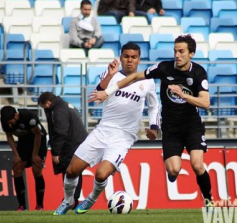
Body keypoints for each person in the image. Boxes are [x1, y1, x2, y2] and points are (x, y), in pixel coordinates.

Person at [89, 34, 214, 210]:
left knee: (197, 164)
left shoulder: (199, 72)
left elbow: (205, 102)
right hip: (170, 128)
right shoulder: (164, 68)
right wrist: (107, 92)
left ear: (191, 53)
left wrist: (183, 94)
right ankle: (173, 173)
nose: (177, 55)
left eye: (181, 51)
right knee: (173, 169)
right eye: (175, 51)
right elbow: (133, 77)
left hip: (192, 125)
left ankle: (208, 199)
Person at [53, 42, 160, 215]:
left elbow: (154, 106)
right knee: (71, 170)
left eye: (133, 57)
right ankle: (68, 200)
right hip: (103, 130)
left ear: (139, 59)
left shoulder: (147, 81)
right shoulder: (112, 74)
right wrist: (110, 75)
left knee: (101, 174)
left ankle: (91, 199)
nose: (130, 60)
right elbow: (97, 94)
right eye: (126, 56)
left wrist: (154, 127)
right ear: (121, 57)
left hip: (123, 137)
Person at [38, 92, 88, 208]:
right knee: (74, 171)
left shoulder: (58, 111)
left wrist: (56, 152)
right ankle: (71, 199)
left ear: (48, 103)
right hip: (78, 143)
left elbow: (61, 133)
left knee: (70, 171)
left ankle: (70, 200)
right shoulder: (64, 105)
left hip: (71, 145)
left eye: (43, 106)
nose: (44, 109)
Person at [0, 106, 47, 211]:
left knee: (36, 169)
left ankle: (39, 205)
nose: (10, 124)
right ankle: (22, 206)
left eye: (11, 121)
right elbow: (9, 137)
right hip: (24, 142)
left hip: (38, 141)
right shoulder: (5, 121)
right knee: (17, 169)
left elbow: (38, 135)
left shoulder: (28, 116)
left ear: (16, 115)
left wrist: (35, 155)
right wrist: (16, 155)